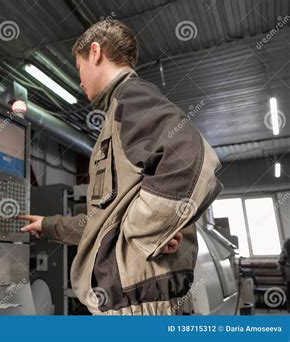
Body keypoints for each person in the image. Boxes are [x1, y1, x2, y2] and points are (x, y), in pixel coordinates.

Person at [19, 20, 223, 315]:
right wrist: (48, 225)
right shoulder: (119, 109)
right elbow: (104, 225)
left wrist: (149, 232)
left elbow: (189, 156)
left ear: (96, 52)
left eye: (79, 68)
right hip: (128, 300)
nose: (79, 81)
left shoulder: (132, 97)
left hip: (137, 304)